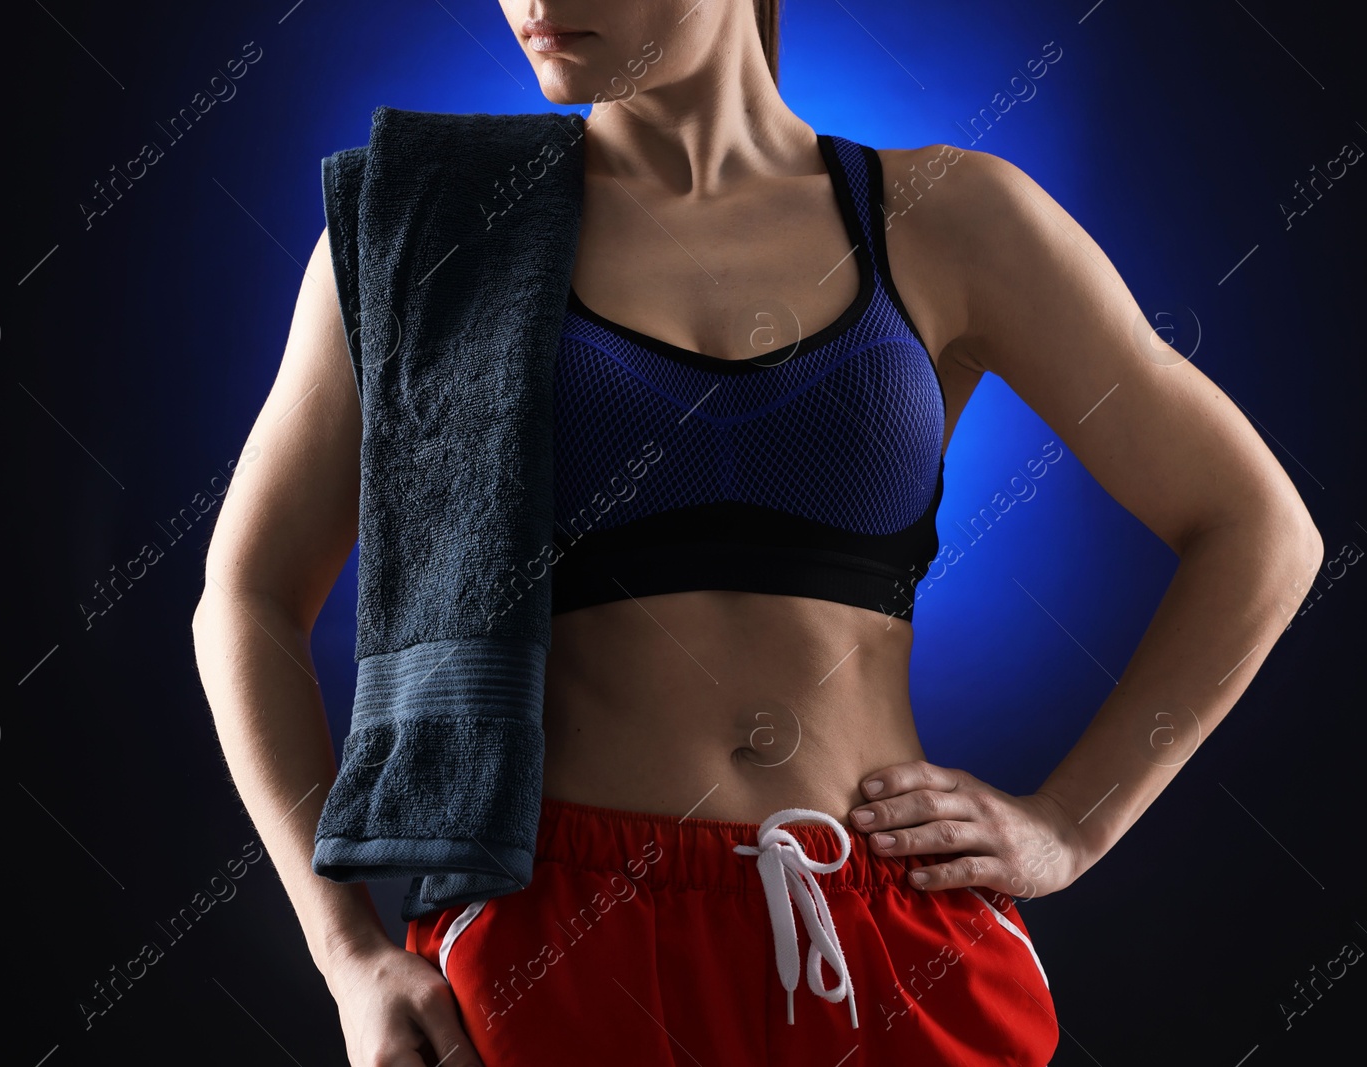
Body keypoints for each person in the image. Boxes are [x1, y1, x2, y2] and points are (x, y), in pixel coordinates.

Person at [191, 2, 1324, 1064]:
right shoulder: (426, 230)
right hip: (557, 938)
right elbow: (244, 596)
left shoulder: (947, 217)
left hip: (881, 931)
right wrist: (345, 953)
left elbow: (1257, 529)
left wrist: (1069, 824)